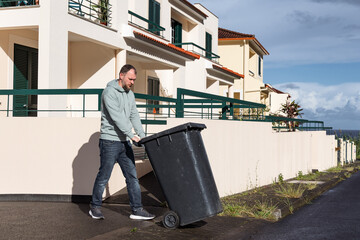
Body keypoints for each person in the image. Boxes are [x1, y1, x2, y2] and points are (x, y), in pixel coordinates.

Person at [89, 64, 155, 220]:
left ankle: (137, 210)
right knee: (104, 176)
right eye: (130, 79)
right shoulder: (109, 92)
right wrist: (132, 135)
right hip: (110, 141)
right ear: (121, 75)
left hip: (124, 142)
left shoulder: (130, 94)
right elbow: (117, 117)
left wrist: (142, 135)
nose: (132, 82)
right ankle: (95, 207)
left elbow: (134, 115)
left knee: (132, 176)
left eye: (134, 80)